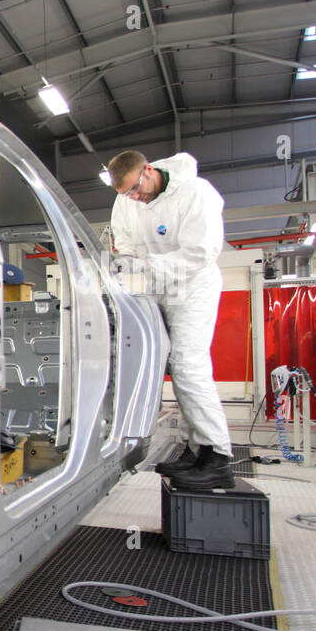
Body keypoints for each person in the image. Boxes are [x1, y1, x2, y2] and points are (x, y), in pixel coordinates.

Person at [107, 149, 233, 489]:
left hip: (192, 285)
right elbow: (126, 243)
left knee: (188, 364)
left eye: (136, 188)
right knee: (156, 360)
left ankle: (217, 455)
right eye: (127, 194)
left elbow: (202, 252)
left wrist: (146, 267)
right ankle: (196, 449)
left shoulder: (197, 193)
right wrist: (129, 263)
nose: (134, 197)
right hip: (154, 287)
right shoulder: (127, 200)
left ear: (149, 170)